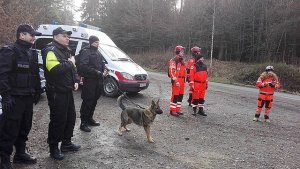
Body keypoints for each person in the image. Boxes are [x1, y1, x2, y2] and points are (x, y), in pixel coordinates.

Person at [0, 24, 42, 169]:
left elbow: (34, 74)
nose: (34, 38)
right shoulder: (9, 51)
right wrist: (5, 96)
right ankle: (4, 158)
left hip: (27, 97)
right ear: (22, 35)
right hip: (14, 98)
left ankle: (20, 154)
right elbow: (2, 75)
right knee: (9, 129)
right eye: (31, 35)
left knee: (25, 126)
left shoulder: (31, 52)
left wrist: (37, 91)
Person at [42, 27, 80, 160]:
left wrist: (75, 80)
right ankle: (53, 148)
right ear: (55, 36)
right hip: (56, 91)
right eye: (64, 36)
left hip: (67, 90)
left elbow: (73, 68)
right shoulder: (50, 50)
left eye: (68, 36)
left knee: (71, 117)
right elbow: (54, 70)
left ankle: (66, 143)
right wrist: (70, 63)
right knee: (58, 120)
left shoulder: (66, 50)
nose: (68, 38)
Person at [79, 35, 108, 132]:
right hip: (89, 80)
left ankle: (90, 119)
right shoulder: (85, 51)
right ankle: (83, 123)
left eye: (98, 42)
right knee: (87, 101)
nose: (97, 44)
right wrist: (97, 72)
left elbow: (102, 63)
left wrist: (105, 69)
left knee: (94, 100)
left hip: (98, 81)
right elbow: (83, 66)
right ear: (91, 42)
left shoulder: (98, 52)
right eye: (96, 42)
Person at [189, 51, 208, 116]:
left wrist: (206, 84)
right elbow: (191, 76)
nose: (203, 59)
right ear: (198, 58)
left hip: (203, 84)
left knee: (201, 98)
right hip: (197, 84)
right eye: (202, 58)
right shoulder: (194, 66)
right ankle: (194, 110)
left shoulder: (205, 66)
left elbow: (206, 76)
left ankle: (201, 110)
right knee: (195, 98)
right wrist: (192, 85)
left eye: (203, 58)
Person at [168, 45, 186, 116]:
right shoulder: (173, 60)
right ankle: (172, 110)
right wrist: (176, 81)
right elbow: (171, 72)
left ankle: (177, 110)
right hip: (177, 80)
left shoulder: (182, 61)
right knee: (175, 95)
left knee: (180, 96)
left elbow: (184, 71)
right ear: (178, 52)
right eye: (182, 51)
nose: (183, 53)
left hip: (182, 80)